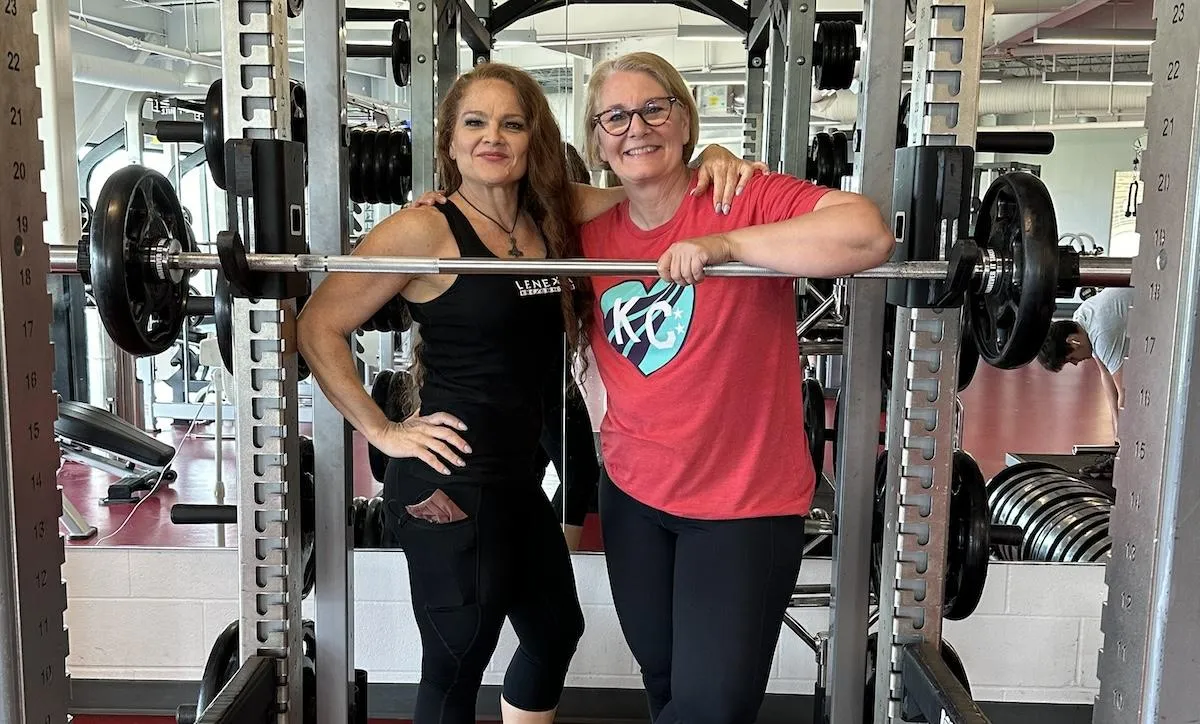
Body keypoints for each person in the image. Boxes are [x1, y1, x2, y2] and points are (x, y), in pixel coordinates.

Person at [296, 61, 763, 724]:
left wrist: (709, 153)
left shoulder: (553, 215)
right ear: (451, 142)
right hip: (446, 482)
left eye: (512, 124)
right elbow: (318, 324)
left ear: (532, 138)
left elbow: (654, 188)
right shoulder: (424, 231)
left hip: (518, 481)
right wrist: (383, 431)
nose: (494, 137)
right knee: (457, 663)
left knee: (553, 631)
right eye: (476, 123)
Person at [568, 51, 895, 724]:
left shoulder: (740, 196)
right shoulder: (590, 231)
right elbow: (496, 205)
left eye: (655, 108)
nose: (637, 127)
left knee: (711, 707)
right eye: (616, 116)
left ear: (685, 119)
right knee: (664, 684)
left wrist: (728, 245)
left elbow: (867, 236)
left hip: (743, 505)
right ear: (597, 139)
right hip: (633, 495)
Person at [1037, 287, 1135, 443]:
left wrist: (1121, 433)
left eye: (1071, 359)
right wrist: (1116, 425)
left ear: (1073, 341)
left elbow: (1126, 390)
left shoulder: (1102, 335)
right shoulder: (1081, 317)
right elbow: (1106, 374)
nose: (1076, 363)